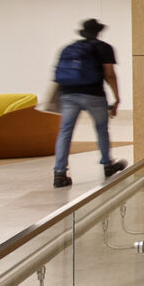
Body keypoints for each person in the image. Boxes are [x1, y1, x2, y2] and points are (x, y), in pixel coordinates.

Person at [51, 18, 126, 189]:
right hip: (93, 95)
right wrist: (117, 98)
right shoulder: (104, 48)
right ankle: (108, 165)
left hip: (68, 94)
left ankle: (59, 173)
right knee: (101, 129)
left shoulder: (68, 49)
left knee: (65, 132)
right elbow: (110, 75)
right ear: (98, 32)